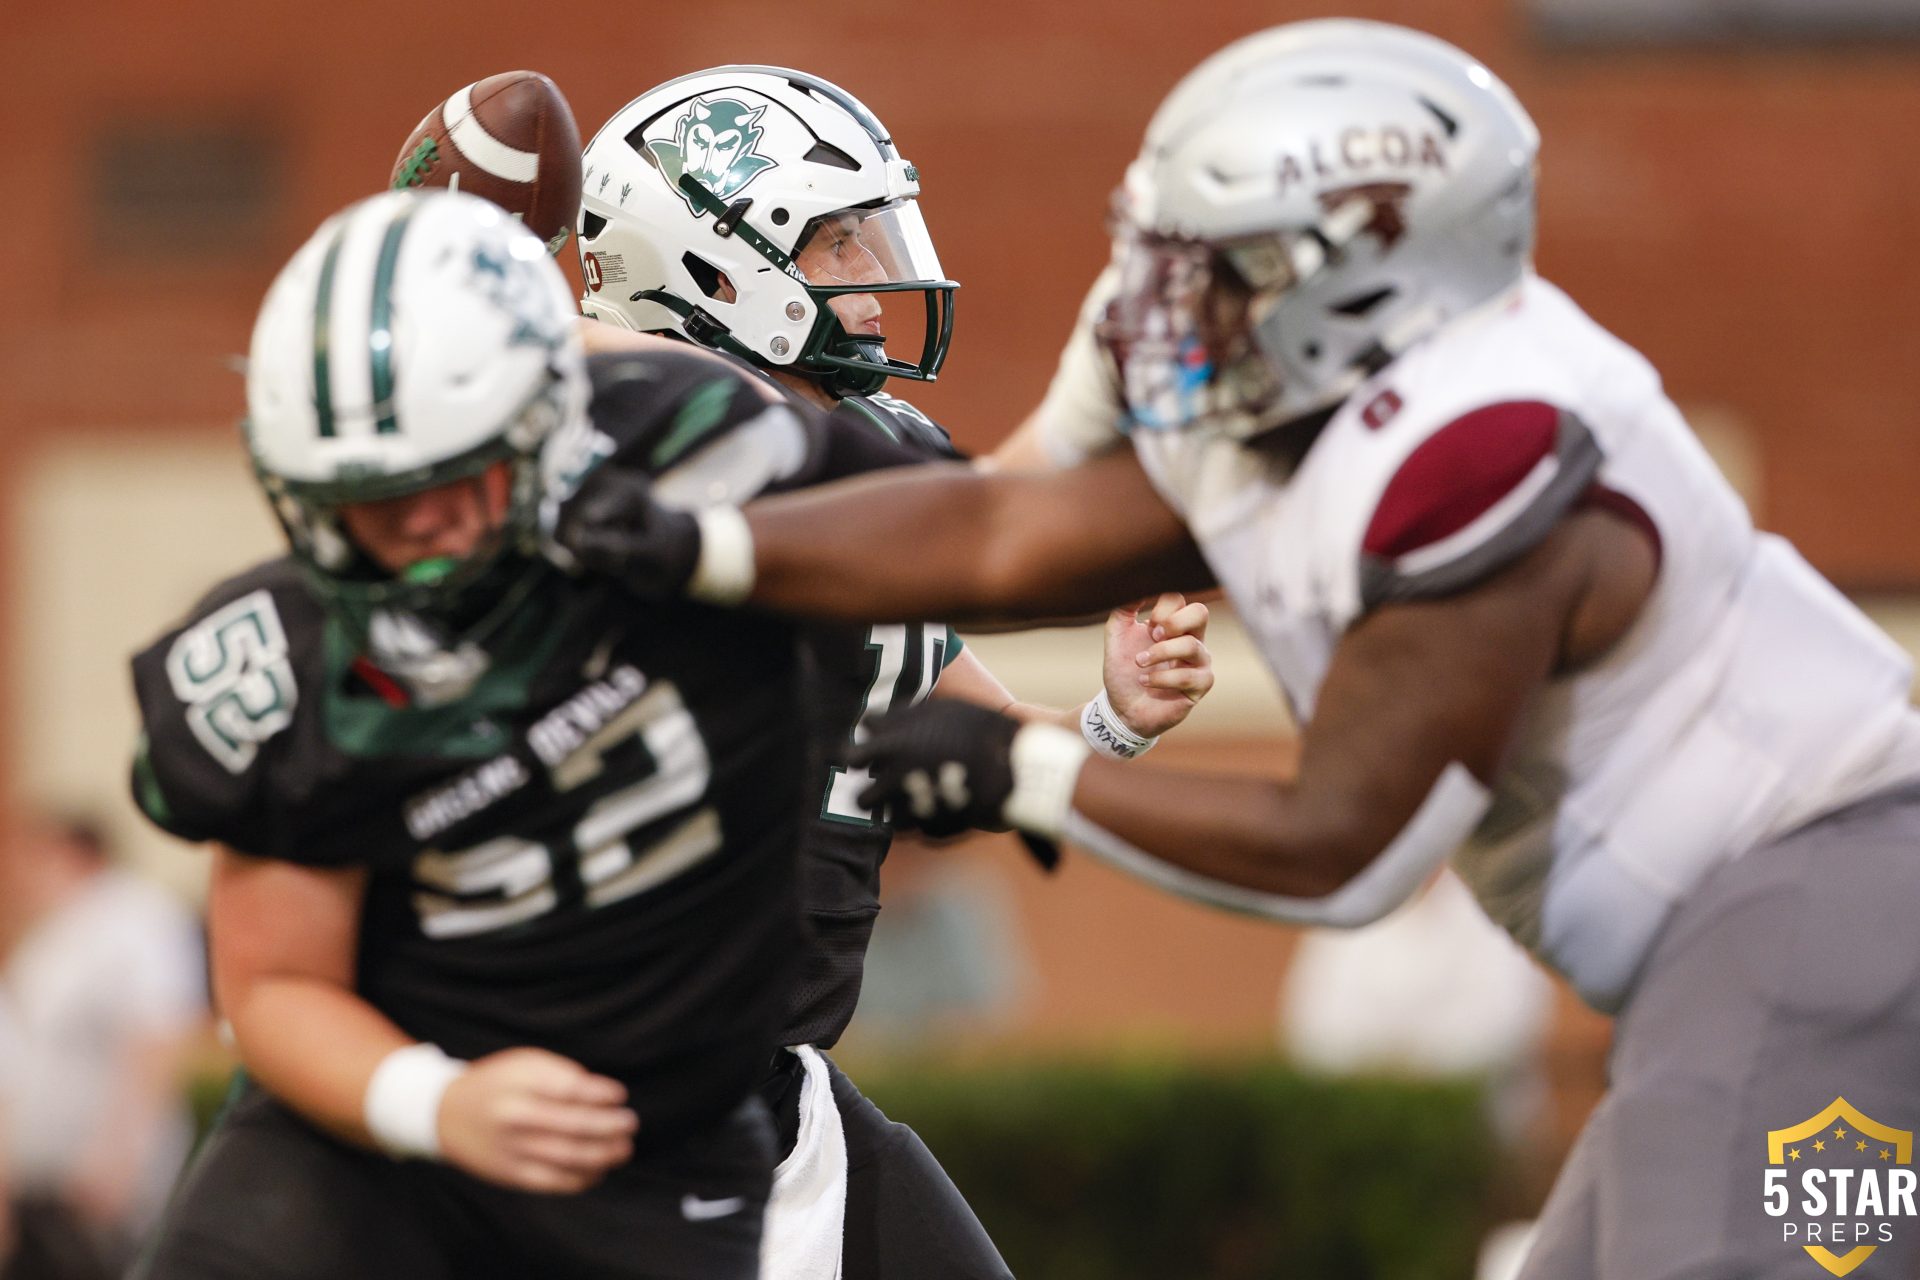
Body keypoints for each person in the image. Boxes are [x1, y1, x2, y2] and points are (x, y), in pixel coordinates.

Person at [555, 20, 1920, 1279]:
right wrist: (704, 543)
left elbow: (1344, 848)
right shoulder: (1314, 385)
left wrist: (1032, 770)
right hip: (1731, 949)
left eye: (1212, 258)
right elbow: (998, 532)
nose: (1154, 293)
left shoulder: (1490, 453)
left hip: (1820, 914)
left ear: (1357, 276)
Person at [127, 187, 967, 1280]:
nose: (418, 530)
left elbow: (975, 534)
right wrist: (437, 1098)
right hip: (384, 1129)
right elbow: (275, 977)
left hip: (669, 1128)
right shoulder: (291, 658)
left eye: (449, 479)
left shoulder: (702, 469)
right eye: (367, 501)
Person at [566, 66, 1216, 1280]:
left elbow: (971, 754)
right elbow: (558, 354)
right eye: (841, 242)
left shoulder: (867, 462)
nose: (881, 277)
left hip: (774, 1086)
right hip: (604, 1090)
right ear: (709, 262)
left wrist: (1113, 717)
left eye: (877, 234)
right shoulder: (642, 442)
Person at [0, 817, 206, 1278]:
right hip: (46, 1185)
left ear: (73, 853)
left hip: (104, 1184)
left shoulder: (135, 918)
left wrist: (118, 1158)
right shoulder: (62, 929)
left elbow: (158, 1037)